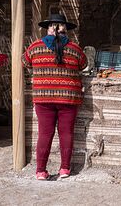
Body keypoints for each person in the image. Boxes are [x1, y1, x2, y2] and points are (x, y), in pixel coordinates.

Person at [22, 14, 87, 180]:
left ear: (48, 28)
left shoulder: (35, 47)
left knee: (45, 134)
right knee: (66, 133)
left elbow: (25, 61)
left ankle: (40, 171)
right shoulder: (75, 48)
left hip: (43, 98)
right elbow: (84, 64)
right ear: (65, 28)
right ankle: (65, 169)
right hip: (68, 98)